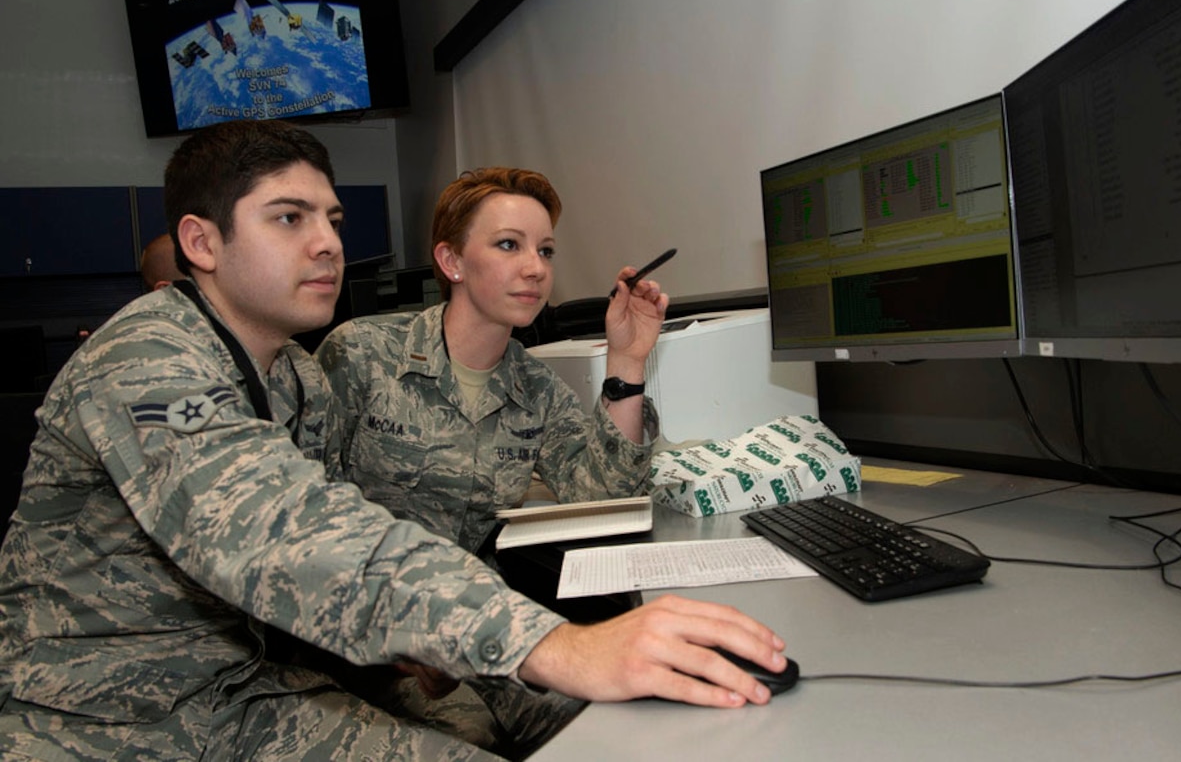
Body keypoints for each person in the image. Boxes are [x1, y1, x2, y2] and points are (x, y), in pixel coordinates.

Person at [0, 124, 788, 761]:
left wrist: (625, 365)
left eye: (332, 220)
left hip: (254, 680)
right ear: (203, 243)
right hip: (103, 717)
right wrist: (548, 640)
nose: (328, 244)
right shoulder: (148, 354)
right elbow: (287, 530)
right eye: (289, 218)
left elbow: (605, 492)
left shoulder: (293, 378)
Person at [313, 167, 682, 751]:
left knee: (604, 722)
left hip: (471, 632)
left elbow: (605, 499)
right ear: (452, 261)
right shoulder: (361, 356)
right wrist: (397, 628)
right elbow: (301, 522)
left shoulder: (533, 386)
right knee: (468, 736)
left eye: (546, 250)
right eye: (509, 245)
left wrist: (627, 360)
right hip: (361, 643)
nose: (536, 267)